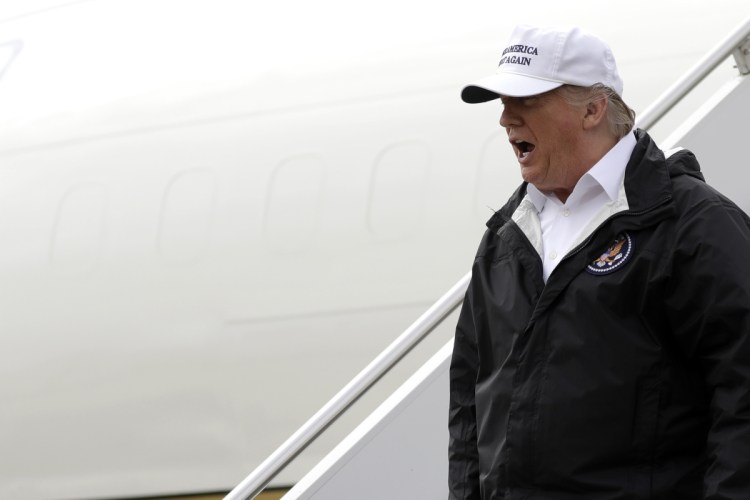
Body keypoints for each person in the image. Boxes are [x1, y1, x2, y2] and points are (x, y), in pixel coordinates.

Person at [448, 24, 750, 499]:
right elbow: (469, 404)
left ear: (593, 109)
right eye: (503, 103)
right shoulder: (504, 239)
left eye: (524, 101)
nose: (506, 119)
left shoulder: (694, 224)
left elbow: (743, 394)